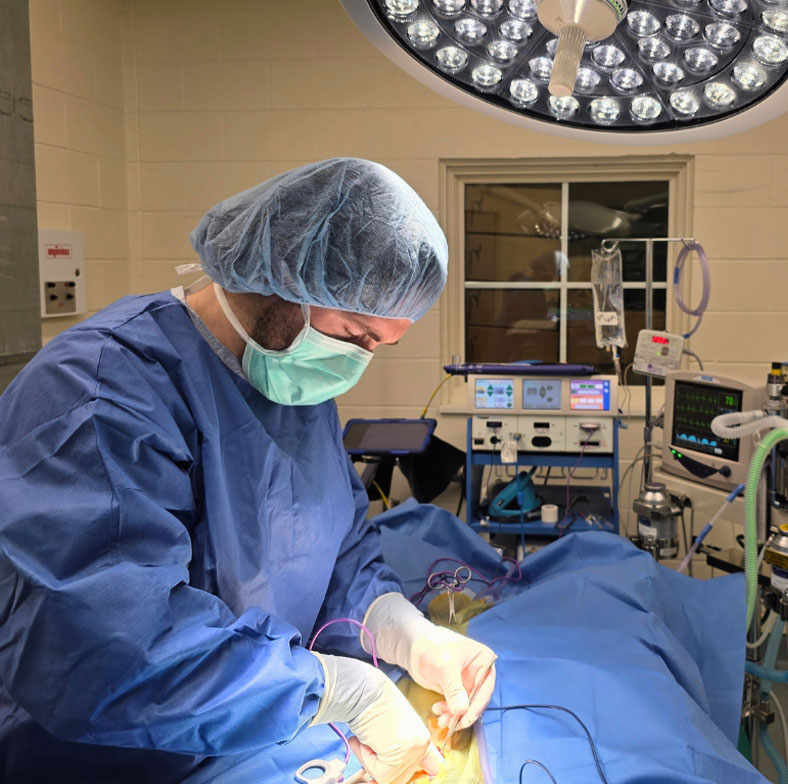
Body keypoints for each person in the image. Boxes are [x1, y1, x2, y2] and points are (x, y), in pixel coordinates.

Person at [0, 159, 497, 783]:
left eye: (380, 344)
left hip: (253, 737)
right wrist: (340, 692)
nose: (360, 359)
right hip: (106, 762)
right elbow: (105, 650)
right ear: (282, 280)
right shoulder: (100, 393)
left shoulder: (295, 384)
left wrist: (404, 633)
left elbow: (333, 553)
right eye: (356, 333)